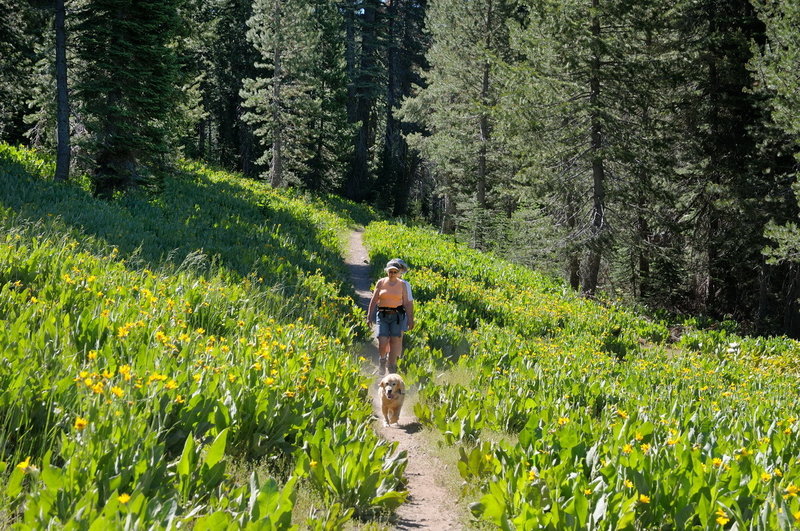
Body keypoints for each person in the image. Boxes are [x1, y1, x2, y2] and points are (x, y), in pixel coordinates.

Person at [367, 258, 414, 375]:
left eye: (395, 271)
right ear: (387, 271)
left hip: (397, 316)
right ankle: (383, 360)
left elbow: (408, 303)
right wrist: (369, 316)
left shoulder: (404, 285)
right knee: (382, 340)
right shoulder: (381, 282)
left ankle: (392, 366)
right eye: (390, 271)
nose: (392, 274)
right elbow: (374, 300)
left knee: (395, 341)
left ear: (399, 273)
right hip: (383, 314)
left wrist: (410, 319)